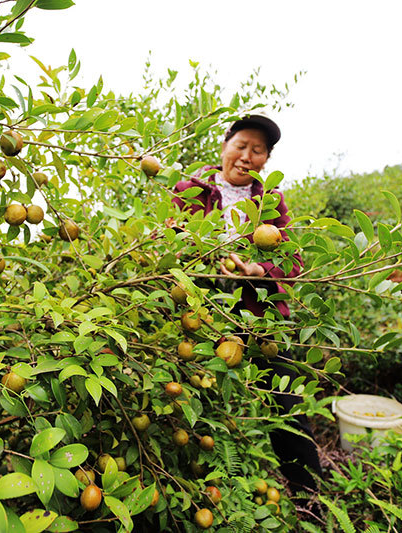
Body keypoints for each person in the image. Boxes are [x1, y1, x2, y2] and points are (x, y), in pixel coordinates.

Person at [170, 114, 322, 506]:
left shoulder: (270, 201)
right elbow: (169, 241)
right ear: (224, 146)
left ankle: (310, 495)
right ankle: (190, 491)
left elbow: (292, 260)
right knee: (191, 402)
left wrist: (259, 269)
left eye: (257, 151)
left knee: (285, 405)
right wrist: (202, 257)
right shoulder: (190, 190)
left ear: (265, 161)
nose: (246, 156)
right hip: (200, 314)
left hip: (261, 315)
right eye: (240, 145)